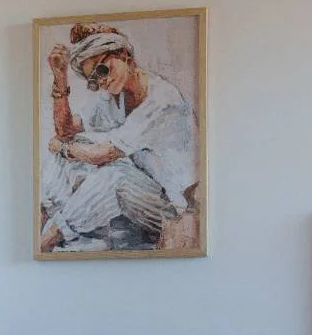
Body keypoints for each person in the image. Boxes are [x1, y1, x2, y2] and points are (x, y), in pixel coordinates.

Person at [40, 22, 198, 253]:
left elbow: (103, 154)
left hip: (171, 208)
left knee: (114, 174)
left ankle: (52, 236)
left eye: (102, 70)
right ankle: (48, 214)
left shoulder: (163, 100)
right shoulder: (113, 96)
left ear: (123, 55)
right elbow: (65, 130)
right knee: (70, 149)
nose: (101, 81)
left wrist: (63, 148)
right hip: (140, 193)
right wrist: (60, 79)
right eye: (93, 80)